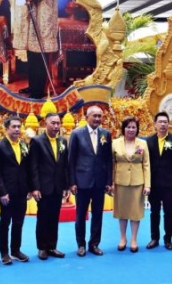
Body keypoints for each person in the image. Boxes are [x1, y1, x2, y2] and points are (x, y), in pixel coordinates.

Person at [68, 105, 113, 257]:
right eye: (94, 116)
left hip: (100, 182)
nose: (97, 119)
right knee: (81, 214)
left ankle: (94, 244)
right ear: (87, 117)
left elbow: (108, 160)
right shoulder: (76, 134)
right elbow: (71, 160)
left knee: (98, 214)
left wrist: (109, 181)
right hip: (82, 181)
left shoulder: (106, 134)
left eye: (100, 116)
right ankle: (81, 244)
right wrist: (72, 182)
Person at [29, 112, 69, 260]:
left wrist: (66, 186)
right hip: (43, 187)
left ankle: (52, 246)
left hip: (58, 187)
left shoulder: (63, 142)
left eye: (58, 123)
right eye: (53, 123)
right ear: (45, 123)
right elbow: (33, 166)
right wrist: (35, 187)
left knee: (54, 217)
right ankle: (42, 247)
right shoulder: (37, 141)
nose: (56, 126)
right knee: (43, 217)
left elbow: (65, 166)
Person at [0, 116, 31, 265]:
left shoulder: (23, 144)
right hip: (7, 192)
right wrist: (2, 192)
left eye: (18, 126)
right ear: (6, 128)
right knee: (5, 222)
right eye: (13, 126)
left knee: (19, 222)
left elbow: (27, 169)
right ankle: (4, 252)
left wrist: (29, 189)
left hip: (22, 191)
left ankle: (15, 250)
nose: (16, 129)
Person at [112, 116, 150, 253]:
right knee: (122, 212)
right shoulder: (115, 143)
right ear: (123, 128)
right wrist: (110, 183)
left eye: (134, 127)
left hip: (137, 182)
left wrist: (147, 185)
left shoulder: (142, 144)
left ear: (137, 129)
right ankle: (123, 238)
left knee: (135, 212)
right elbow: (112, 164)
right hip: (120, 181)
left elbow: (146, 164)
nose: (131, 129)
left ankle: (134, 239)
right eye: (128, 127)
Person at [145, 111, 172, 250]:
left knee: (169, 212)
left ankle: (168, 239)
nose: (163, 125)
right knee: (154, 212)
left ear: (168, 124)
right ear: (155, 124)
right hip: (153, 184)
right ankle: (154, 238)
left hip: (169, 184)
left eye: (165, 122)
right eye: (160, 122)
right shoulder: (148, 141)